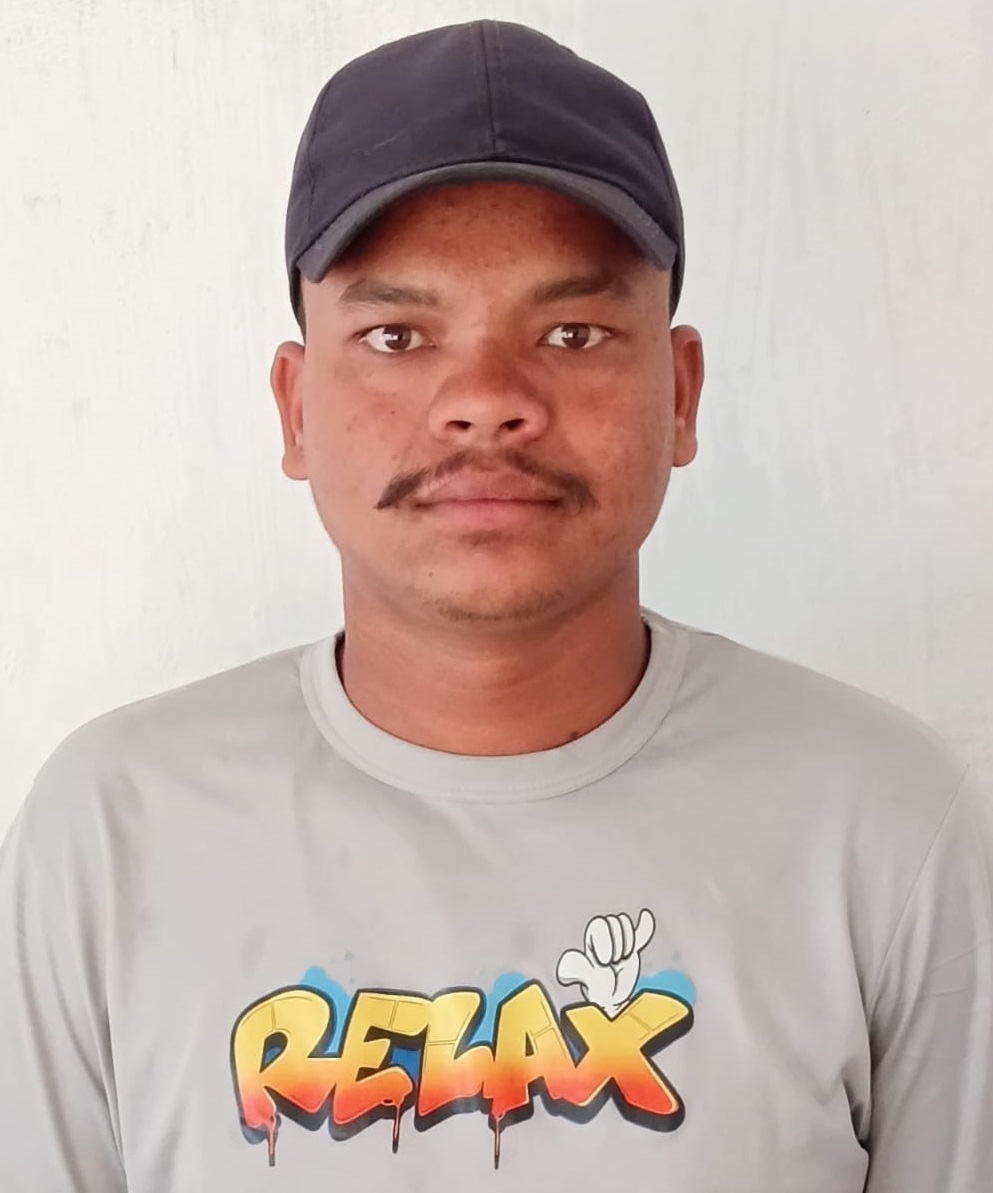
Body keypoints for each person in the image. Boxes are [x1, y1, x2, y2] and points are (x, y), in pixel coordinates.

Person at [0, 18, 990, 1193]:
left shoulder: (886, 825)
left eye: (572, 331)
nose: (484, 399)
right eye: (397, 335)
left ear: (679, 394)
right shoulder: (112, 833)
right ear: (296, 409)